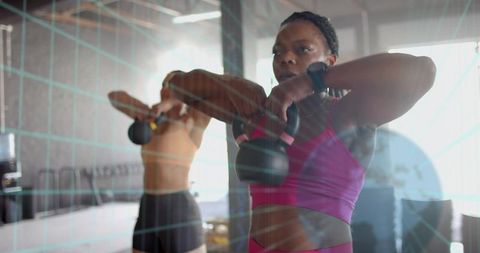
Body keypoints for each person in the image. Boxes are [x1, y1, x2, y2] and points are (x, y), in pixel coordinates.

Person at [161, 11, 436, 253]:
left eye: (302, 49)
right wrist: (233, 84)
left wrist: (311, 82)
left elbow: (422, 71)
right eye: (277, 52)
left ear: (329, 60)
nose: (285, 59)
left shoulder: (346, 114)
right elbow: (177, 84)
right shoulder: (257, 113)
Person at [108, 82, 211, 253]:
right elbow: (114, 96)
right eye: (165, 85)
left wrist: (172, 102)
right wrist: (144, 111)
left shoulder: (192, 121)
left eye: (174, 84)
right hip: (148, 207)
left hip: (180, 209)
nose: (166, 89)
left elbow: (211, 92)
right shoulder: (149, 120)